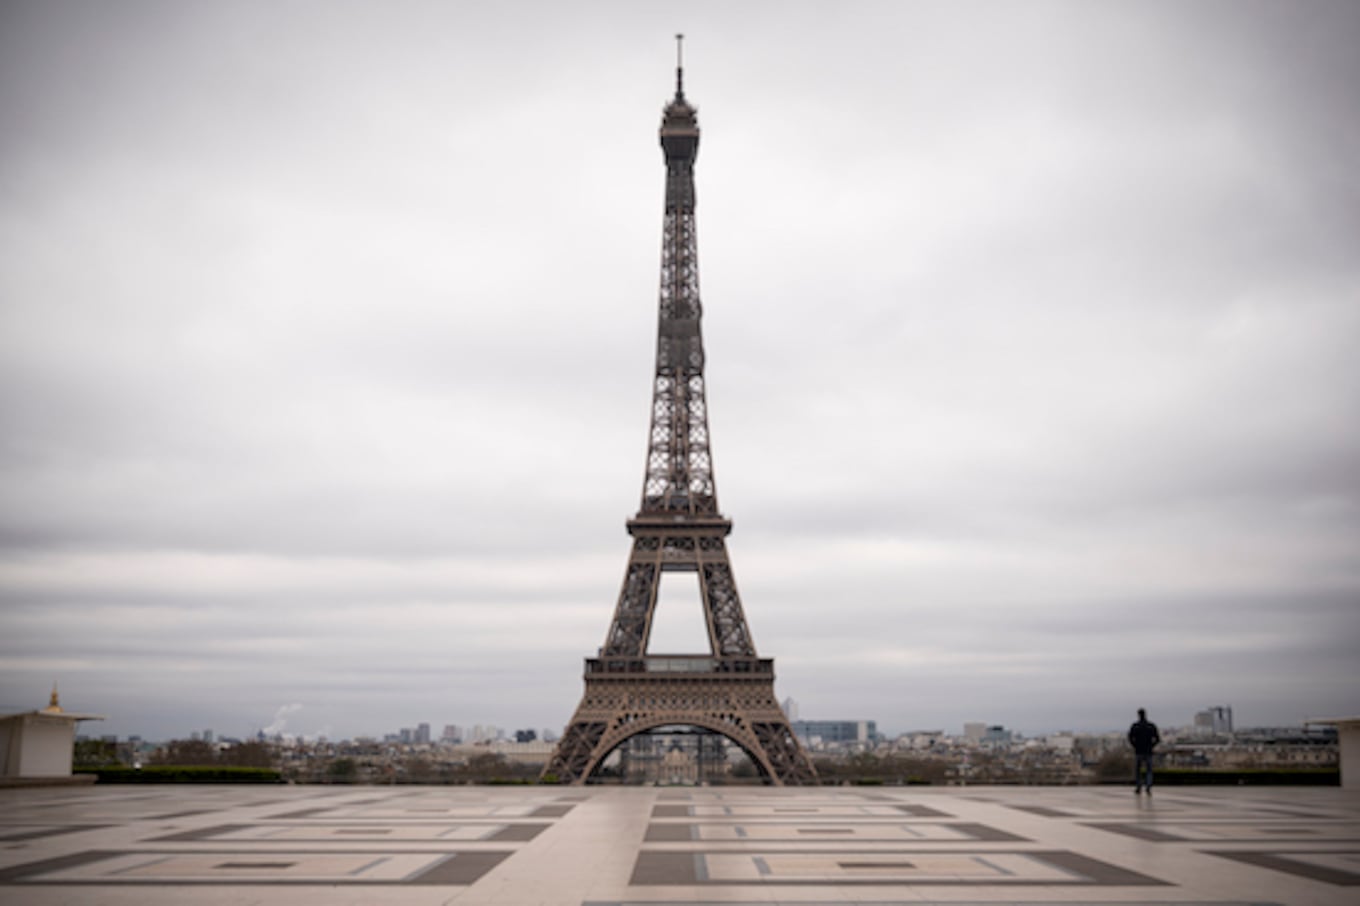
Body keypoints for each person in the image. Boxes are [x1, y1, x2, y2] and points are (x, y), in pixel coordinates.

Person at [1128, 708, 1161, 794]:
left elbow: (1130, 738)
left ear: (1138, 715)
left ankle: (1139, 787)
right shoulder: (1151, 726)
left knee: (1138, 770)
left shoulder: (1135, 726)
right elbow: (1157, 739)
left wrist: (1135, 746)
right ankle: (1148, 786)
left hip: (1138, 751)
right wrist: (1151, 746)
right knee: (1149, 770)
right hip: (1148, 751)